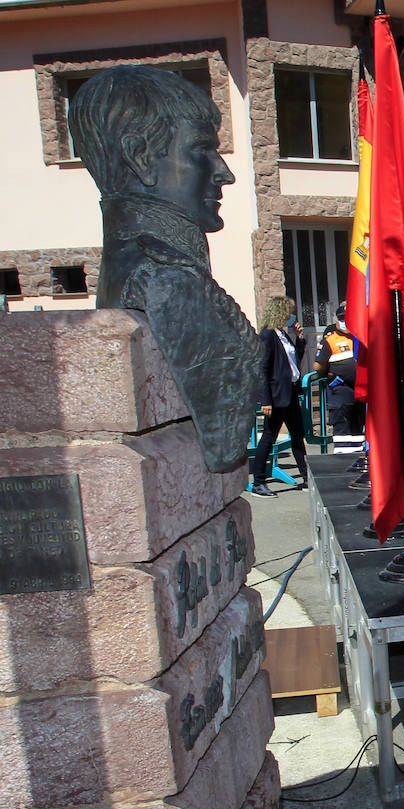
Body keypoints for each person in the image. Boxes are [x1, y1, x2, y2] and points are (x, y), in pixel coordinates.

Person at [70, 64, 260, 473]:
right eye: (201, 149)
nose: (223, 172)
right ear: (140, 157)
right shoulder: (165, 281)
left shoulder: (143, 268)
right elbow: (226, 443)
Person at [249, 296, 309, 498]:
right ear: (280, 311)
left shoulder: (283, 334)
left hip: (290, 392)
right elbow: (262, 369)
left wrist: (299, 338)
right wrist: (265, 399)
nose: (291, 316)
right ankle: (258, 482)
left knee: (297, 434)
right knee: (269, 436)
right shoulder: (267, 335)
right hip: (276, 396)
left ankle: (307, 477)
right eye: (289, 311)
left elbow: (293, 363)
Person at [314, 302, 365, 455]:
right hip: (341, 389)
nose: (344, 321)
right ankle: (342, 459)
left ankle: (357, 457)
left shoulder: (361, 338)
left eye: (347, 317)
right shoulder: (330, 340)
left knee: (358, 424)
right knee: (342, 423)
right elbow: (318, 366)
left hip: (361, 389)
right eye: (341, 318)